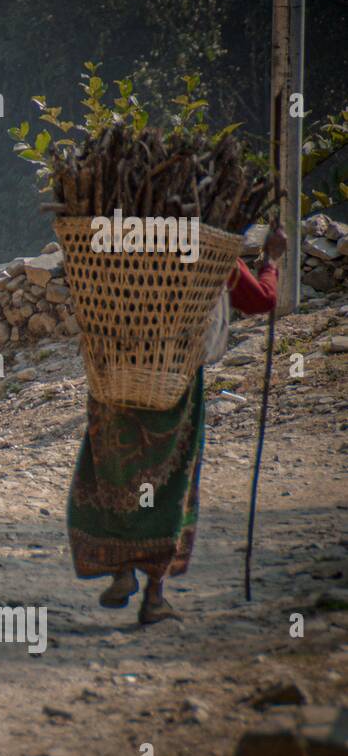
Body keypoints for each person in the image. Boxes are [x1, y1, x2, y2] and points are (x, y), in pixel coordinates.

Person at [66, 223, 285, 625]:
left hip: (114, 378)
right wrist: (271, 260)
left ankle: (120, 570)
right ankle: (154, 595)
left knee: (115, 476)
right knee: (169, 485)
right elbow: (262, 302)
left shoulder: (113, 244)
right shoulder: (209, 252)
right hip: (175, 384)